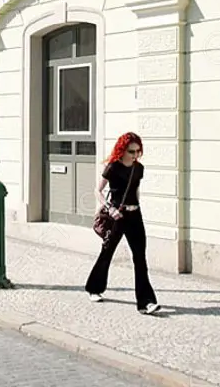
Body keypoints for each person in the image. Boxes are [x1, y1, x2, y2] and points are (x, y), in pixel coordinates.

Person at [85, 131, 160, 314]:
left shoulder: (139, 168)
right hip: (117, 216)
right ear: (122, 150)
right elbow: (97, 190)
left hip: (135, 216)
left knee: (140, 258)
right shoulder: (113, 167)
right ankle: (94, 288)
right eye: (131, 151)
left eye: (137, 152)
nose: (134, 155)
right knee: (107, 252)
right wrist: (109, 208)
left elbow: (136, 192)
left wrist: (137, 207)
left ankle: (146, 302)